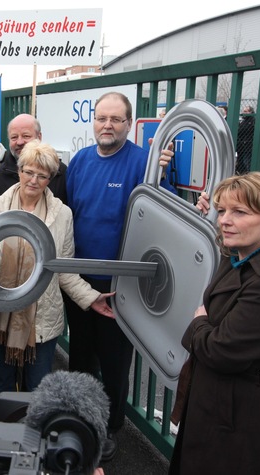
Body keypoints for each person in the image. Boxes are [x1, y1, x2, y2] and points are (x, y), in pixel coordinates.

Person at [169, 172, 260, 475]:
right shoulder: (246, 254)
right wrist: (212, 215)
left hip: (246, 421)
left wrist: (199, 323)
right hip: (223, 406)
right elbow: (221, 251)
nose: (224, 220)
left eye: (240, 212)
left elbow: (220, 351)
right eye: (222, 211)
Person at [65, 91, 173, 461]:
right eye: (101, 118)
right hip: (79, 284)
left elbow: (167, 216)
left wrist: (163, 173)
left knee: (113, 365)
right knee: (80, 358)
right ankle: (79, 420)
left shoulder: (145, 164)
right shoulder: (79, 161)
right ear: (92, 122)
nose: (107, 125)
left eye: (115, 119)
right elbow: (66, 215)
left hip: (120, 287)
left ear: (129, 123)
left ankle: (109, 429)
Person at [0, 141, 114, 397]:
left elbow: (64, 269)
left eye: (42, 175)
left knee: (39, 388)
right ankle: (5, 432)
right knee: (2, 384)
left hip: (42, 317)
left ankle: (33, 435)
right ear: (19, 170)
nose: (33, 180)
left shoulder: (63, 215)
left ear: (51, 178)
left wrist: (91, 298)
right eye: (28, 171)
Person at [0, 114, 68, 204]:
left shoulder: (60, 172)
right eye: (14, 137)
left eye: (26, 136)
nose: (20, 142)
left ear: (39, 137)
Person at [236, 105, 255, 174]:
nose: (244, 112)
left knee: (246, 162)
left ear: (251, 112)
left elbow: (243, 130)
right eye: (244, 111)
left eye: (246, 111)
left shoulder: (252, 121)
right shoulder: (243, 121)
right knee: (241, 161)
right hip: (242, 146)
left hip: (248, 145)